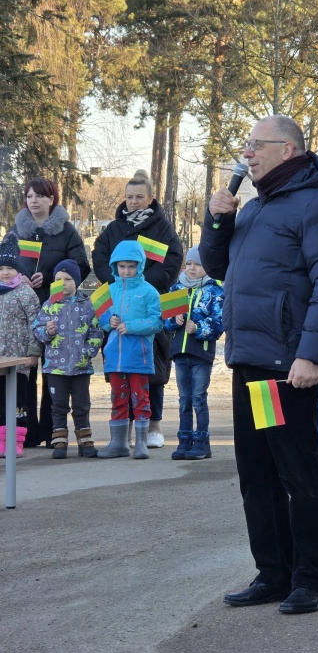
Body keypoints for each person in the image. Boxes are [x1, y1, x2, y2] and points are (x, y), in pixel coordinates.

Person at [200, 114, 318, 615]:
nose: (246, 153)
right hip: (250, 360)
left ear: (287, 150)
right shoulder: (256, 207)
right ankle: (273, 573)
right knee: (257, 474)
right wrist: (217, 221)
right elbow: (218, 267)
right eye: (246, 145)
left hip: (286, 367)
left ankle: (309, 579)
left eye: (255, 144)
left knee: (297, 474)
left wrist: (310, 354)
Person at [92, 169, 183, 448]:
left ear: (150, 198)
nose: (134, 202)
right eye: (130, 197)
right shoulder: (114, 229)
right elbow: (100, 257)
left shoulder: (163, 228)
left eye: (139, 197)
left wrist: (144, 286)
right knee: (122, 369)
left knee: (152, 368)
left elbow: (173, 259)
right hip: (120, 304)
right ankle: (125, 427)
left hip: (150, 302)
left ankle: (153, 424)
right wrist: (116, 282)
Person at [12, 177, 90, 448]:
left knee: (53, 371)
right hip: (23, 312)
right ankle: (26, 431)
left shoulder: (66, 231)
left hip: (56, 312)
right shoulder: (16, 230)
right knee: (25, 370)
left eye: (39, 196)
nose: (34, 201)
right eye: (29, 196)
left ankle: (51, 430)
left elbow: (81, 265)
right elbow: (4, 263)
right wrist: (18, 278)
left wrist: (49, 277)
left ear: (51, 199)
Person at [97, 240, 163, 460]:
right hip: (115, 357)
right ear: (115, 266)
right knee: (118, 398)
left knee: (140, 398)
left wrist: (132, 326)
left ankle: (141, 443)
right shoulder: (109, 291)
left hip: (139, 357)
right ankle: (119, 443)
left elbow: (157, 322)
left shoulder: (149, 292)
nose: (126, 271)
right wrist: (109, 321)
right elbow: (101, 317)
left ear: (140, 266)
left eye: (131, 266)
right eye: (122, 266)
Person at [32, 259, 103, 459]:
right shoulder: (49, 305)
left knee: (81, 405)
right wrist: (47, 332)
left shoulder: (87, 305)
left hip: (81, 367)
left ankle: (85, 441)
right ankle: (59, 441)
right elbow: (37, 330)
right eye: (58, 279)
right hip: (56, 367)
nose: (62, 283)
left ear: (77, 281)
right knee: (58, 405)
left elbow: (96, 331)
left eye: (68, 279)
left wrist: (88, 352)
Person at [164, 246, 224, 461]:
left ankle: (202, 442)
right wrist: (174, 319)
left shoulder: (215, 291)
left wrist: (198, 328)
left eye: (197, 264)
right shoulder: (176, 289)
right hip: (180, 353)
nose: (192, 268)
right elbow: (165, 322)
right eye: (189, 263)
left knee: (198, 398)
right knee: (184, 400)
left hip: (201, 354)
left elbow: (219, 323)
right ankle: (184, 440)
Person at [0, 232, 41, 458]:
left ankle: (16, 441)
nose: (5, 272)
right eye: (1, 268)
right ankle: (1, 440)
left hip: (19, 360)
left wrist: (33, 352)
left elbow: (35, 323)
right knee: (0, 402)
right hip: (0, 360)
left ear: (18, 269)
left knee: (18, 402)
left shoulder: (25, 293)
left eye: (10, 268)